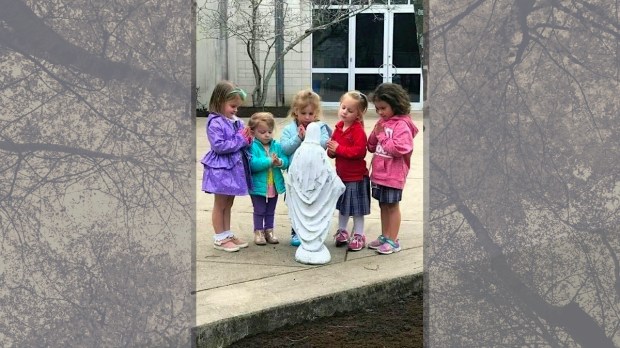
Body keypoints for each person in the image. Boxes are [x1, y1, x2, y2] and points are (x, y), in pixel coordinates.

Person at [366, 83, 419, 255]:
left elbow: (399, 149)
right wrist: (375, 133)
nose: (380, 112)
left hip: (394, 174)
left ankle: (393, 240)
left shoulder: (402, 125)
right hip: (380, 174)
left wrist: (381, 135)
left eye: (383, 108)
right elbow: (371, 147)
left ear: (395, 105)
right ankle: (385, 235)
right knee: (383, 204)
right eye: (377, 109)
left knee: (392, 206)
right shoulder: (382, 122)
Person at [201, 81, 253, 252]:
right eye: (232, 106)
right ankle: (219, 237)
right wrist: (241, 139)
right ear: (219, 101)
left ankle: (227, 233)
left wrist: (248, 139)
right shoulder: (215, 122)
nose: (235, 110)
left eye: (237, 107)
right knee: (220, 203)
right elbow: (219, 146)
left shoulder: (235, 121)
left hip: (232, 169)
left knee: (228, 203)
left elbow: (242, 142)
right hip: (221, 170)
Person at [286, 122, 345, 264]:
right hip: (318, 195)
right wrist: (338, 185)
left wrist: (292, 187)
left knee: (304, 217)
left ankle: (307, 245)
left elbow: (292, 174)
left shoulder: (300, 151)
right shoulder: (320, 152)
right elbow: (329, 174)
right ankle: (312, 244)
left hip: (301, 194)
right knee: (317, 215)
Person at [280, 89, 332, 246]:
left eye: (311, 114)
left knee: (314, 205)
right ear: (296, 111)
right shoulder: (289, 129)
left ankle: (314, 232)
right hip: (296, 176)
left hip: (315, 176)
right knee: (297, 205)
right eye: (304, 113)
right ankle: (296, 231)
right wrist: (298, 138)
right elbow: (285, 148)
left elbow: (323, 145)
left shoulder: (320, 127)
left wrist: (310, 135)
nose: (308, 117)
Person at [327, 91, 371, 251]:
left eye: (350, 110)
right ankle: (342, 231)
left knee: (357, 210)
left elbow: (359, 152)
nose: (344, 112)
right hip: (341, 175)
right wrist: (331, 151)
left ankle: (359, 235)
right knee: (343, 206)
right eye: (343, 107)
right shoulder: (338, 128)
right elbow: (332, 151)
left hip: (356, 177)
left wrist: (339, 149)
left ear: (358, 115)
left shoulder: (358, 130)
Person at [247, 112, 289, 245]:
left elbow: (286, 160)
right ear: (253, 132)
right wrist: (269, 161)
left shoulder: (276, 145)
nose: (267, 135)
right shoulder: (252, 146)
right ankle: (258, 231)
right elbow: (252, 164)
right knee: (259, 210)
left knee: (271, 210)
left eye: (270, 131)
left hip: (273, 184)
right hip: (259, 185)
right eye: (262, 132)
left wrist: (280, 162)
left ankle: (269, 230)